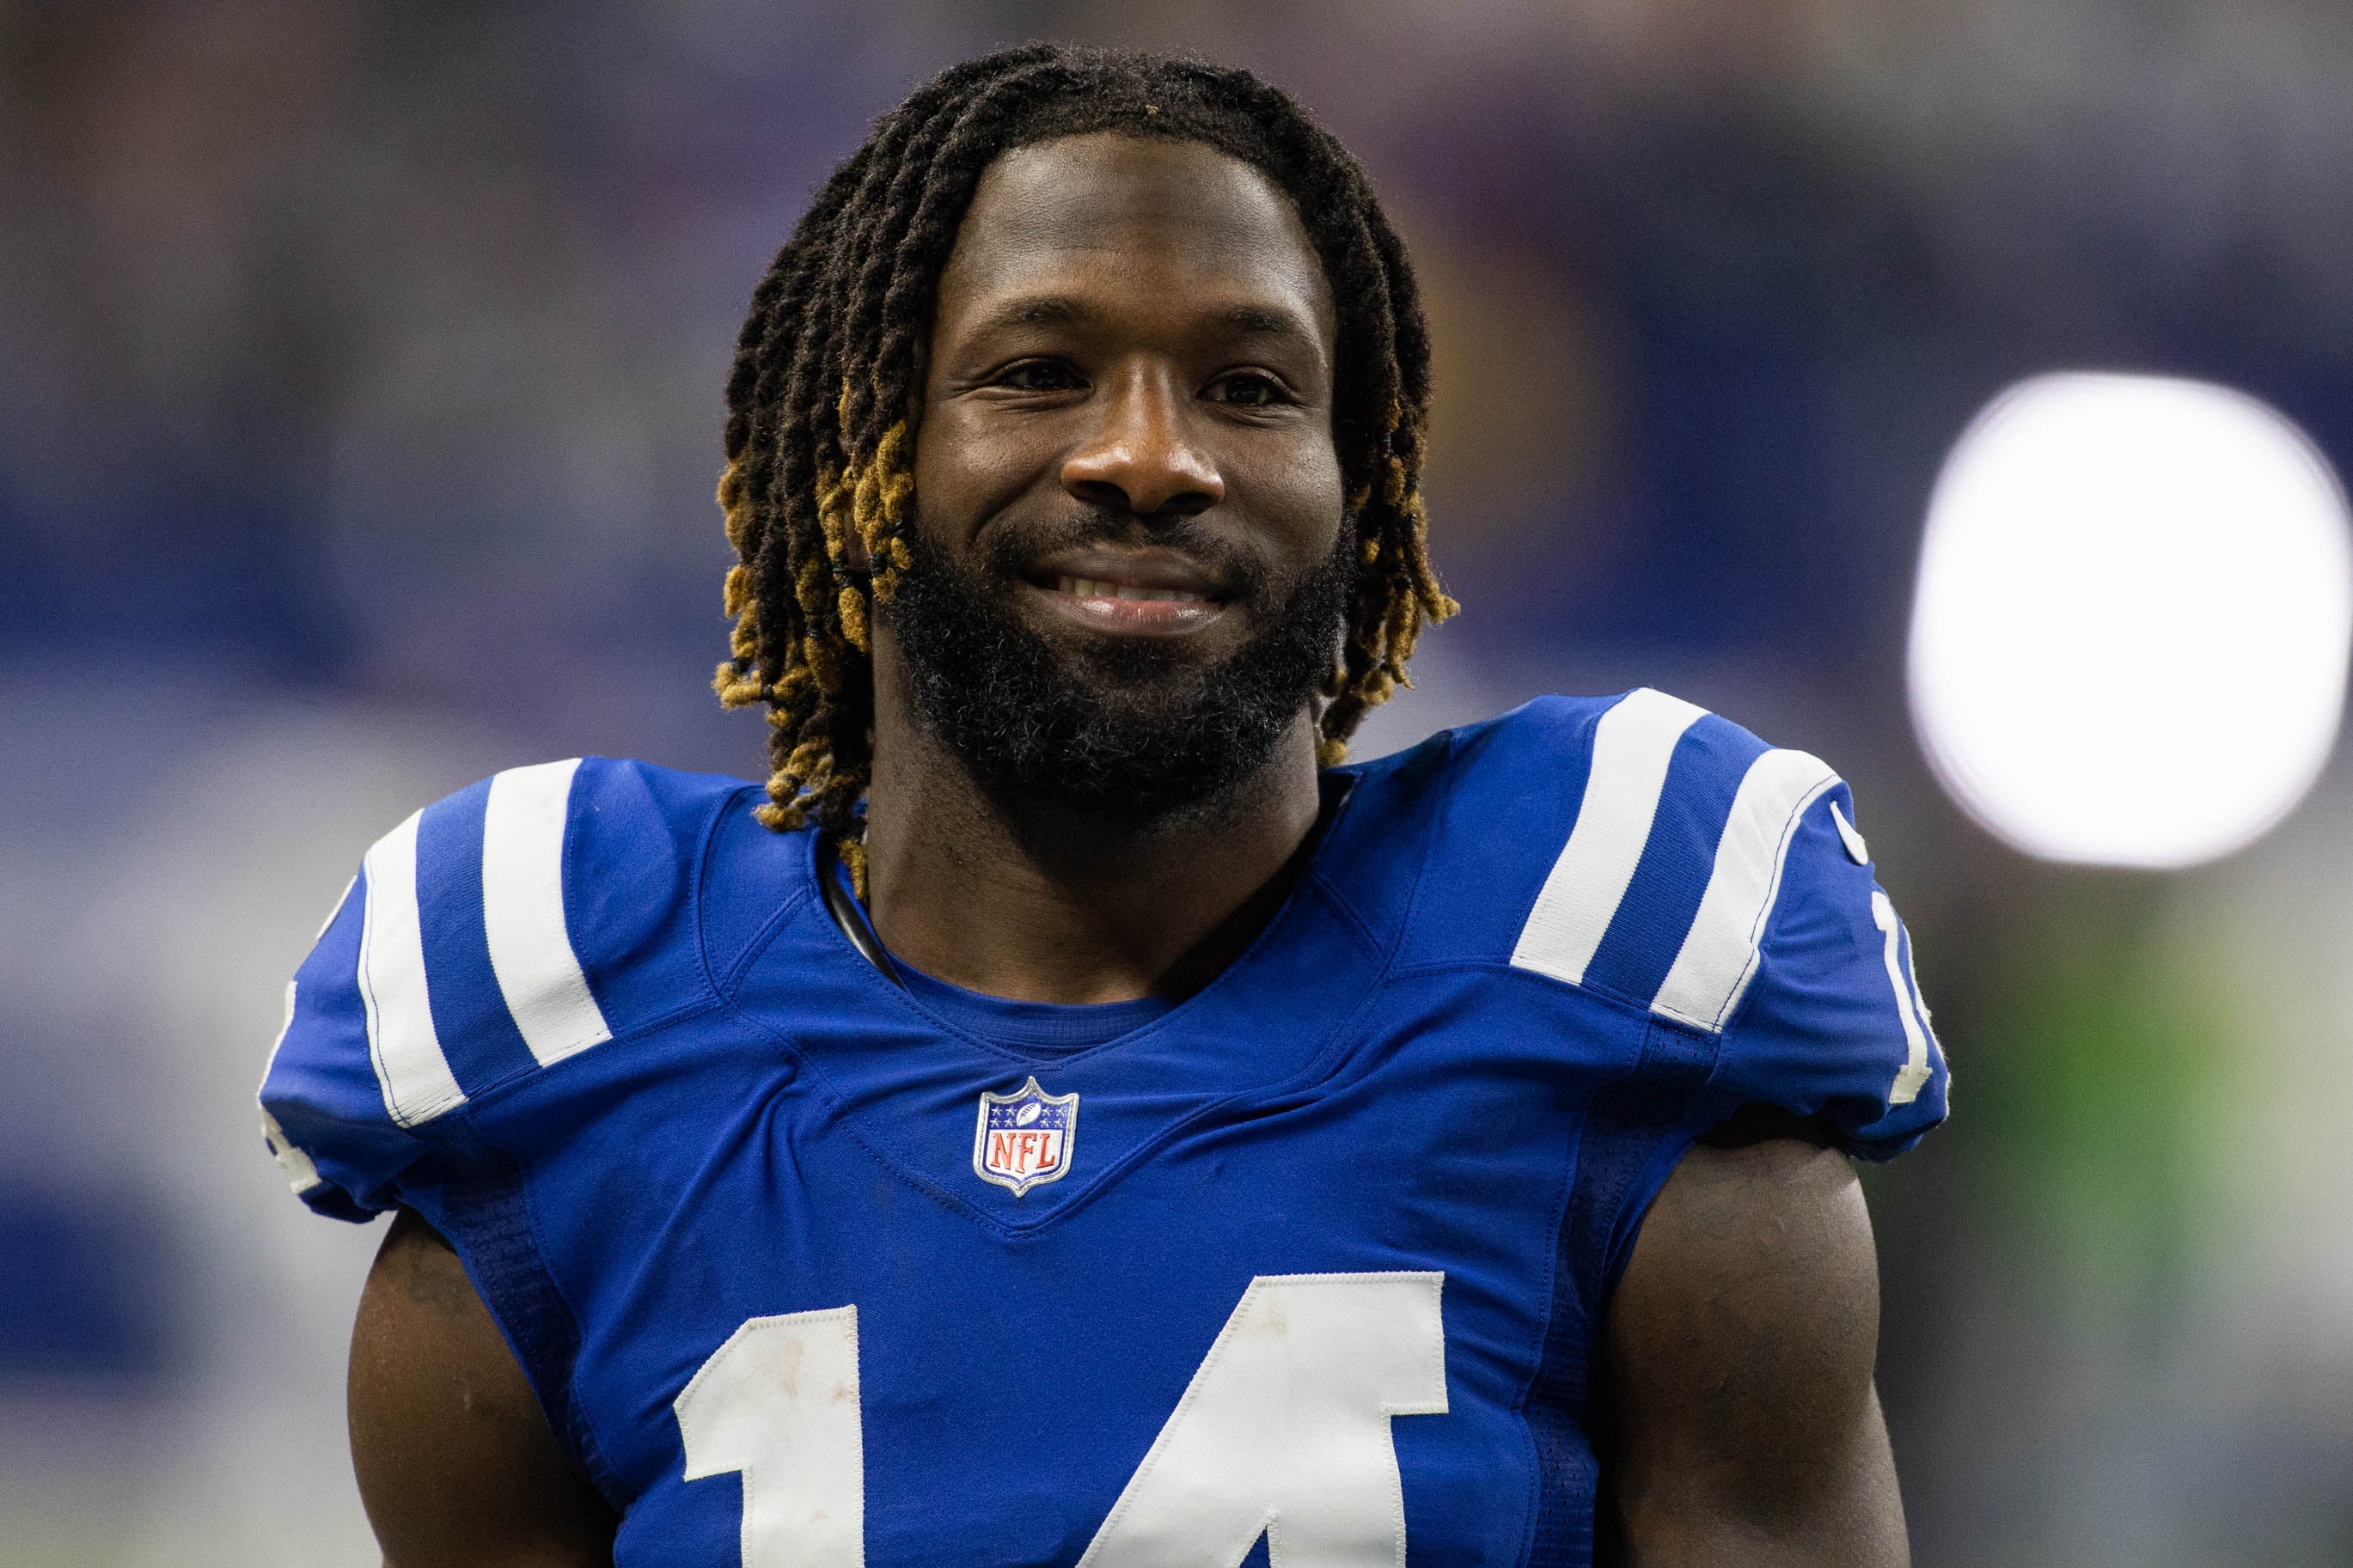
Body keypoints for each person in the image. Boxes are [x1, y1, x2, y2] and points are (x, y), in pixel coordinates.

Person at [259, 43, 1947, 1567]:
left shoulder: (1610, 959)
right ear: (863, 451)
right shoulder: (564, 1030)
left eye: (1250, 386)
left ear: (1367, 488)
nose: (1149, 454)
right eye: (1039, 370)